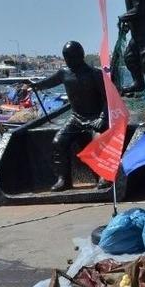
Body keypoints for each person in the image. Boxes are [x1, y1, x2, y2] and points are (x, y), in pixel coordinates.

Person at [28, 41, 107, 192]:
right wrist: (35, 85)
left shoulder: (95, 74)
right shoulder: (63, 73)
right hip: (76, 118)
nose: (67, 60)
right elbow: (48, 82)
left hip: (95, 117)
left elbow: (107, 99)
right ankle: (63, 179)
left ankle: (103, 176)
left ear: (80, 56)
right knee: (58, 141)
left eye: (70, 57)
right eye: (65, 57)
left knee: (98, 142)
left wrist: (102, 119)